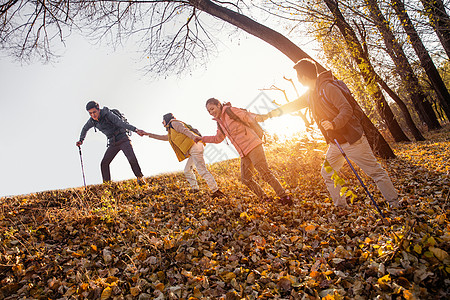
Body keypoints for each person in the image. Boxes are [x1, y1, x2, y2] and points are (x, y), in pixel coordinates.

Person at [263, 58, 399, 208]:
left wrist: (334, 123)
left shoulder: (328, 88)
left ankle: (394, 203)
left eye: (298, 76)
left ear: (303, 77)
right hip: (336, 144)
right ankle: (341, 206)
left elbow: (346, 109)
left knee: (375, 172)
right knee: (327, 173)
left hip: (354, 140)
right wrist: (271, 114)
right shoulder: (310, 94)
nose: (298, 79)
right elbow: (293, 105)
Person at [195, 98, 292, 205]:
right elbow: (218, 138)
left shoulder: (230, 111)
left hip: (253, 145)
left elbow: (247, 116)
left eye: (212, 108)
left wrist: (260, 117)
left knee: (265, 173)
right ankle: (264, 198)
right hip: (243, 153)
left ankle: (284, 197)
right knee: (246, 179)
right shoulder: (219, 123)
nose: (211, 112)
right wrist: (201, 138)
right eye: (209, 111)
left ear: (218, 105)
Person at [143, 113, 225, 198]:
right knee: (187, 170)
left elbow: (185, 130)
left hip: (195, 145)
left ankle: (216, 191)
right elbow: (162, 137)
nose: (162, 123)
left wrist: (194, 137)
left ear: (166, 119)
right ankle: (195, 189)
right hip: (193, 148)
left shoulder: (174, 123)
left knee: (201, 170)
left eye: (162, 120)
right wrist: (147, 134)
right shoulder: (171, 131)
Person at [76, 101, 147, 185]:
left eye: (94, 112)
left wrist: (136, 130)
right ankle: (107, 185)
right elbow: (85, 129)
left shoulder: (107, 114)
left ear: (98, 108)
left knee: (131, 158)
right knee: (104, 163)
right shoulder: (92, 121)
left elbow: (120, 123)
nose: (93, 115)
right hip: (113, 143)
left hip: (123, 138)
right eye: (90, 113)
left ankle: (140, 178)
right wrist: (81, 140)